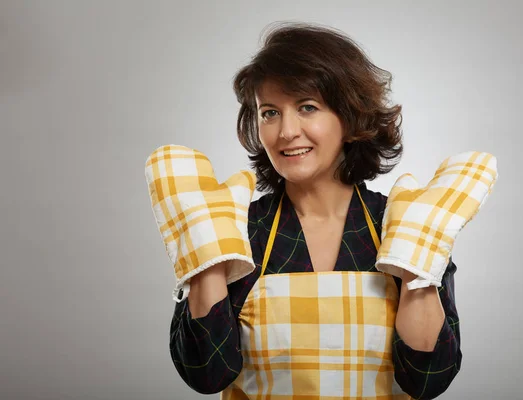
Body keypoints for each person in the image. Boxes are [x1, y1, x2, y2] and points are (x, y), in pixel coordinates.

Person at [146, 23, 496, 399]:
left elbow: (427, 379)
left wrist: (418, 266)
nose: (286, 132)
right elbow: (207, 374)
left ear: (349, 117)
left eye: (307, 107)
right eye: (269, 113)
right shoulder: (238, 230)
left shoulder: (403, 225)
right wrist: (206, 251)